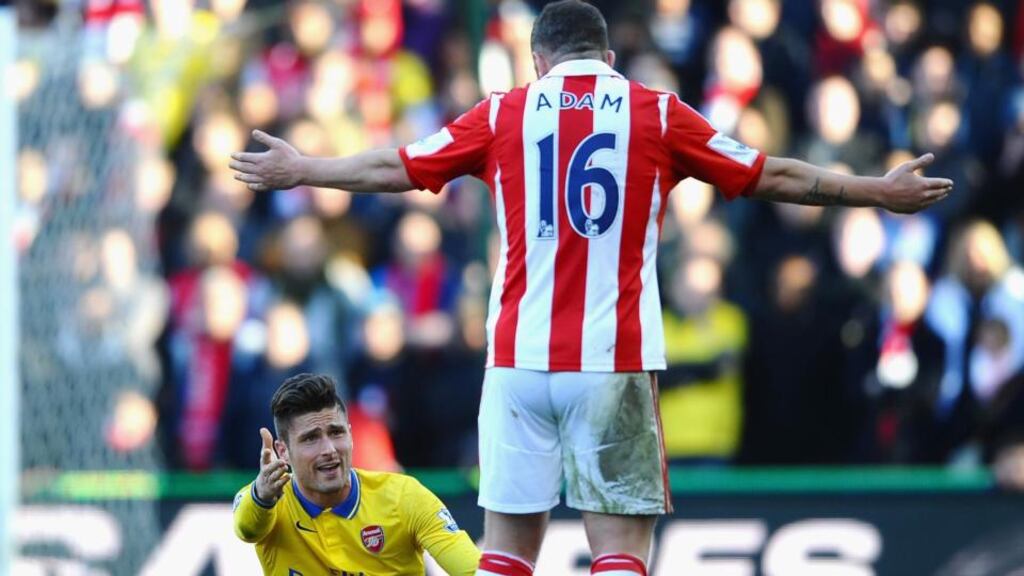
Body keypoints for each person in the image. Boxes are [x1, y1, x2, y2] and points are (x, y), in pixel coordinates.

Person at [229, 2, 953, 573]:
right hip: (612, 363)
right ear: (607, 59)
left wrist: (307, 169)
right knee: (618, 557)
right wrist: (874, 191)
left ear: (538, 60)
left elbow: (400, 167)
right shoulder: (657, 112)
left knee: (505, 559)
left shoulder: (505, 111)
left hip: (516, 364)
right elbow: (775, 175)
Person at [232, 372, 480, 575]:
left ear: (350, 435)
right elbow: (247, 528)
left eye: (336, 433)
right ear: (283, 451)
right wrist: (262, 497)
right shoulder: (268, 503)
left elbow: (472, 570)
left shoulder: (404, 497)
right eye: (311, 439)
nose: (329, 449)